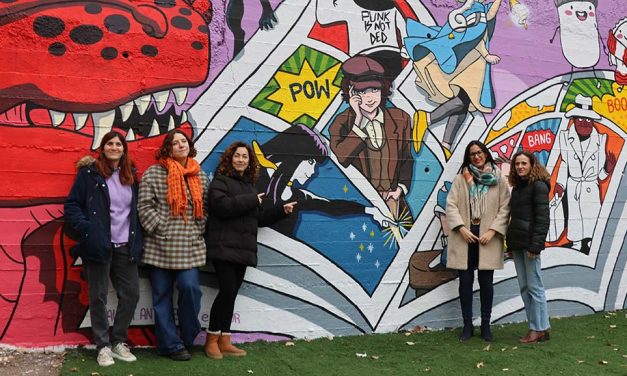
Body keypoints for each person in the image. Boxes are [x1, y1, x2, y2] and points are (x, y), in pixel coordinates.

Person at [204, 141, 296, 359]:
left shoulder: (249, 186)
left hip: (243, 250)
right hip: (223, 247)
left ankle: (225, 339)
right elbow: (222, 207)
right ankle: (211, 339)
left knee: (231, 294)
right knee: (226, 292)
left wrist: (281, 212)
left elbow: (258, 218)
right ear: (229, 158)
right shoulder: (220, 182)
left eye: (245, 157)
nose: (241, 160)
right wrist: (252, 200)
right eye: (237, 156)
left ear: (249, 162)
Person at [64, 131, 143, 367]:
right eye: (110, 143)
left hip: (125, 246)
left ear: (124, 149)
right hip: (98, 245)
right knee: (97, 297)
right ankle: (103, 346)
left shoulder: (131, 174)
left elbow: (134, 211)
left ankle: (118, 341)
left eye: (119, 144)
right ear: (103, 147)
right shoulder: (89, 174)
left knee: (131, 294)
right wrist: (88, 229)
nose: (115, 147)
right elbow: (72, 205)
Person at [138, 130, 209, 361]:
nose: (181, 145)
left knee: (190, 289)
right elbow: (144, 207)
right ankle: (170, 345)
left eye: (184, 141)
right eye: (175, 143)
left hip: (189, 245)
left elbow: (205, 210)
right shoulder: (154, 173)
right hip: (160, 245)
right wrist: (162, 229)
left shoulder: (200, 176)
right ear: (167, 149)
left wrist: (197, 230)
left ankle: (187, 338)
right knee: (161, 297)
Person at [255, 123, 391, 235]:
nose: (313, 171)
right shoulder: (257, 177)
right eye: (311, 162)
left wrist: (371, 211)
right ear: (295, 157)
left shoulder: (297, 196)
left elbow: (331, 206)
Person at [406, 0, 503, 157]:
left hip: (474, 65)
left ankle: (446, 144)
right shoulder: (471, 10)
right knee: (464, 99)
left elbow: (487, 22)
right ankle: (427, 118)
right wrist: (486, 55)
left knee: (464, 102)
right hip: (467, 63)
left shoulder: (481, 11)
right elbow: (472, 34)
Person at [329, 55, 414, 221]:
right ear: (351, 92)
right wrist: (358, 120)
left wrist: (400, 189)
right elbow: (343, 158)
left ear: (383, 89)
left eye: (374, 90)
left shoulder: (400, 119)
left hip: (394, 205)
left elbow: (406, 158)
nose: (369, 97)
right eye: (362, 91)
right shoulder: (341, 124)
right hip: (361, 210)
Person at [445, 140, 510, 342]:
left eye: (480, 152)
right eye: (472, 153)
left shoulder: (498, 179)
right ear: (468, 157)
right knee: (465, 283)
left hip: (486, 238)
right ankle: (467, 326)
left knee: (486, 283)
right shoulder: (460, 179)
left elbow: (505, 207)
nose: (476, 156)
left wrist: (493, 231)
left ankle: (485, 325)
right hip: (465, 236)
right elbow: (451, 205)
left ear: (486, 154)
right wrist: (461, 229)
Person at [506, 150, 551, 343]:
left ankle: (537, 329)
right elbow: (514, 218)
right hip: (517, 244)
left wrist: (536, 246)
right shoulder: (518, 188)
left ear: (532, 165)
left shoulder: (539, 186)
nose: (520, 167)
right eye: (517, 164)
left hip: (530, 246)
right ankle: (540, 326)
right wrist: (510, 243)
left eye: (524, 163)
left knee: (534, 287)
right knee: (525, 287)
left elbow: (543, 220)